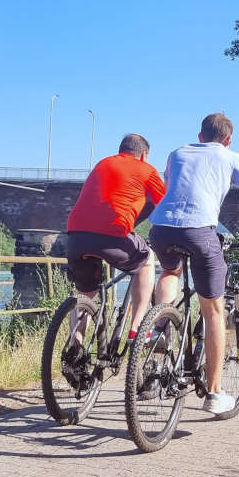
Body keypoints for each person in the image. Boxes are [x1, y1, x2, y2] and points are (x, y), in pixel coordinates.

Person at [148, 113, 239, 415]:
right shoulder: (232, 157)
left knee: (170, 270)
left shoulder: (176, 153)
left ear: (200, 134)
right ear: (228, 139)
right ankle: (215, 392)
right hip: (200, 230)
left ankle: (159, 325)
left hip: (160, 229)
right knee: (214, 311)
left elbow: (171, 190)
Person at [64, 134, 166, 382]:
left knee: (85, 295)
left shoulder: (102, 163)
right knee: (146, 260)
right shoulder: (147, 169)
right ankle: (138, 329)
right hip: (112, 236)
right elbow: (166, 206)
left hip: (76, 236)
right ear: (143, 154)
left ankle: (75, 346)